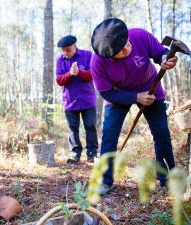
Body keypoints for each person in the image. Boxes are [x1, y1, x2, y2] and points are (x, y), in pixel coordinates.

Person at [90, 18, 178, 195]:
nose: (127, 49)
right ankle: (105, 181)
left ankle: (167, 179)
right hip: (119, 94)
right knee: (109, 134)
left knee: (161, 133)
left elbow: (160, 52)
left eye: (126, 44)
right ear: (108, 56)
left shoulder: (139, 35)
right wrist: (135, 97)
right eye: (121, 51)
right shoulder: (98, 63)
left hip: (151, 88)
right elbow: (107, 93)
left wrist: (165, 58)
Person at [56, 35, 98, 164]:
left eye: (68, 49)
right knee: (72, 128)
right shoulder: (60, 60)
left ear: (75, 46)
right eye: (63, 50)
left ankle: (92, 153)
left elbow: (94, 74)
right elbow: (59, 80)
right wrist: (70, 74)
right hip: (70, 101)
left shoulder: (88, 55)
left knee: (90, 126)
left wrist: (79, 72)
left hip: (87, 99)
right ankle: (75, 153)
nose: (65, 52)